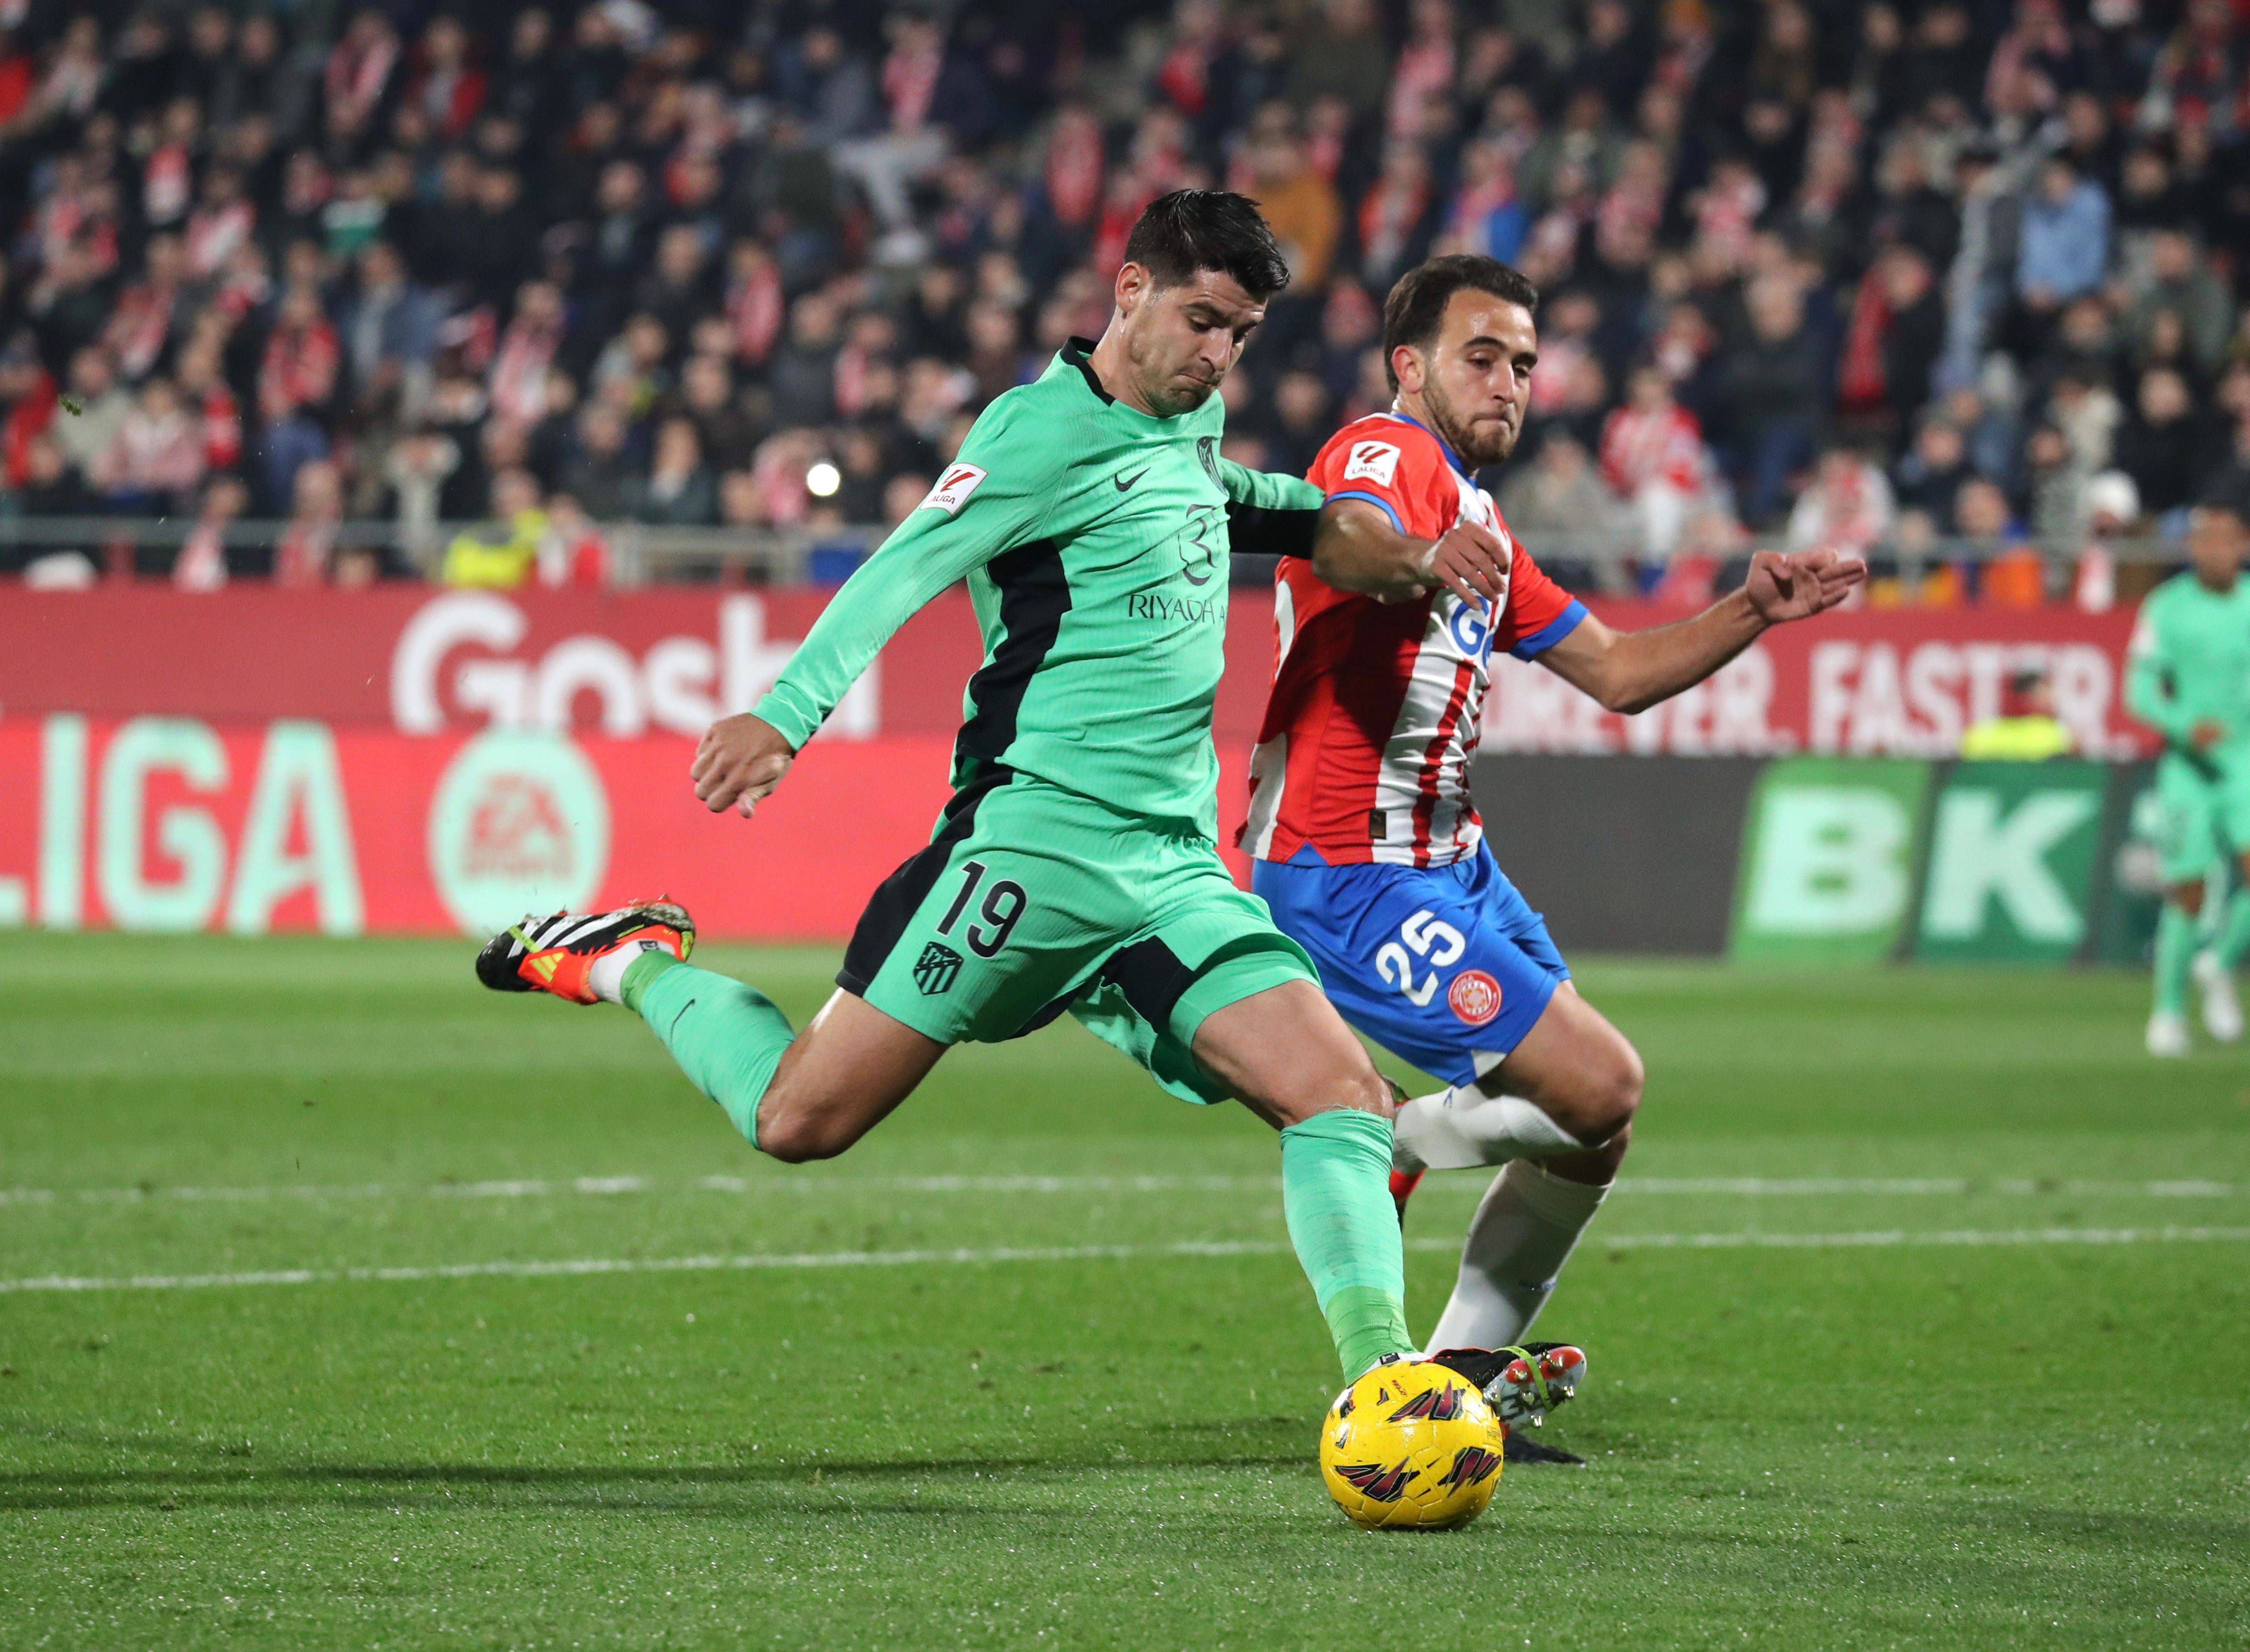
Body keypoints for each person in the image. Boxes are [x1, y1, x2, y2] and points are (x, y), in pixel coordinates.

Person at [472, 194, 1580, 1436]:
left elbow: (1257, 502)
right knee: (796, 1120)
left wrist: (1389, 544)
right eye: (1201, 321)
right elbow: (903, 566)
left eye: (1243, 333)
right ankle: (629, 961)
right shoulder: (1034, 435)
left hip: (1167, 870)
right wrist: (785, 715)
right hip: (1025, 853)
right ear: (1129, 294)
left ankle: (1390, 1389)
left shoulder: (1191, 425)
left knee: (1343, 1101)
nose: (1218, 355)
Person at [1239, 254, 1861, 1459]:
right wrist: (1414, 560)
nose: (1510, 382)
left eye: (1525, 363)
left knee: (1596, 1126)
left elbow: (1619, 675)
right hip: (1345, 869)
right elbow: (1346, 534)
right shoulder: (1387, 452)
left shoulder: (1485, 524)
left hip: (1453, 858)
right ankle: (1392, 1137)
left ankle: (1462, 1378)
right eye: (1483, 356)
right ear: (1408, 365)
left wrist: (1751, 610)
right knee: (1601, 1084)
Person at [2125, 499, 2250, 1057]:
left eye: (2227, 541)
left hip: (2248, 761)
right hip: (2189, 769)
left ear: (2245, 546)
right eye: (2205, 541)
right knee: (2189, 893)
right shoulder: (2166, 608)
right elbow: (2138, 690)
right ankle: (2168, 1015)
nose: (2216, 552)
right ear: (2192, 547)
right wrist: (2181, 724)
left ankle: (2218, 964)